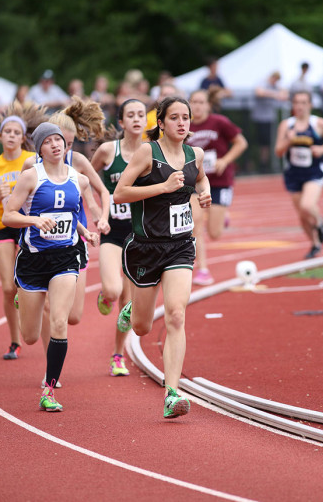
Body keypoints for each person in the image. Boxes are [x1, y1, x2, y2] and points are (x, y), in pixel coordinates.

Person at [113, 96, 211, 418]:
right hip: (146, 247)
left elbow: (200, 177)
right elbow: (120, 193)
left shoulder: (195, 154)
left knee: (176, 315)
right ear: (161, 123)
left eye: (186, 118)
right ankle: (132, 308)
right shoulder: (147, 153)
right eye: (175, 118)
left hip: (180, 246)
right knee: (141, 327)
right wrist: (163, 188)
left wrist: (204, 191)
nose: (182, 124)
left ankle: (172, 394)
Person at [2, 122, 99, 411]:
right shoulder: (31, 177)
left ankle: (49, 389)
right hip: (33, 260)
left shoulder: (79, 180)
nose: (56, 145)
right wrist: (34, 220)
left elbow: (73, 215)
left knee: (59, 322)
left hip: (66, 257)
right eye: (49, 141)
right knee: (30, 336)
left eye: (59, 140)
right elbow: (8, 216)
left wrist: (86, 233)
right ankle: (24, 297)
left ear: (66, 145)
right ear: (40, 148)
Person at [0, 102, 48, 359]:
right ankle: (14, 341)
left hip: (26, 226)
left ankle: (31, 328)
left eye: (15, 132)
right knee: (9, 287)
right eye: (6, 132)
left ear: (23, 138)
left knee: (27, 285)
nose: (11, 136)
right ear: (0, 136)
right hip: (2, 227)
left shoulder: (32, 161)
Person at [91, 99, 147, 377]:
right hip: (112, 233)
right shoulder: (107, 151)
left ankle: (117, 355)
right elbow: (85, 178)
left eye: (141, 114)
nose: (137, 119)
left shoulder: (154, 152)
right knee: (113, 291)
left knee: (129, 307)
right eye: (131, 115)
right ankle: (105, 294)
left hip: (140, 236)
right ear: (122, 122)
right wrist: (97, 209)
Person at [187, 89, 247, 285]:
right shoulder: (184, 126)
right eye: (194, 102)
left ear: (208, 105)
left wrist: (225, 160)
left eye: (201, 102)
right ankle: (203, 269)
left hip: (220, 181)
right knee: (196, 225)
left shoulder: (219, 122)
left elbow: (241, 143)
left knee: (215, 233)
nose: (197, 106)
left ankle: (223, 216)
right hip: (195, 183)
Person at [275, 91, 323, 259]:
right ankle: (315, 244)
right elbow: (278, 151)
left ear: (310, 105)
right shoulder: (286, 125)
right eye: (296, 102)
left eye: (303, 102)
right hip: (293, 174)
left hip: (314, 172)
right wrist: (289, 140)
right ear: (293, 105)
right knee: (302, 215)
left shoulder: (319, 124)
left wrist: (322, 149)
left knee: (307, 205)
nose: (300, 106)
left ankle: (320, 223)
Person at [251, 71, 289, 172]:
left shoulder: (275, 86)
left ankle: (266, 163)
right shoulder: (262, 83)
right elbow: (259, 92)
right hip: (260, 118)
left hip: (269, 119)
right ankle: (260, 164)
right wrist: (275, 94)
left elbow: (285, 94)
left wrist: (279, 90)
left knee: (267, 143)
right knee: (261, 143)